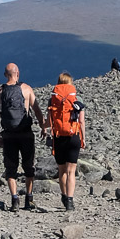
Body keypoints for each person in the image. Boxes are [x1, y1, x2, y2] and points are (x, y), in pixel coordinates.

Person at [0, 62, 37, 211]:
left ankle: (15, 199)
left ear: (5, 75)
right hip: (26, 134)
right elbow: (36, 109)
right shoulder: (27, 89)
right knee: (28, 166)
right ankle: (29, 198)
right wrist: (44, 127)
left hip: (9, 135)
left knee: (11, 168)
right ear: (18, 73)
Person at [46, 71, 86, 211]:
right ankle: (70, 200)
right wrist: (83, 139)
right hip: (73, 136)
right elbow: (81, 121)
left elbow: (49, 121)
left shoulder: (53, 99)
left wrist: (45, 129)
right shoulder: (76, 98)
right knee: (71, 171)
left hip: (58, 137)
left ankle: (64, 195)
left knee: (62, 169)